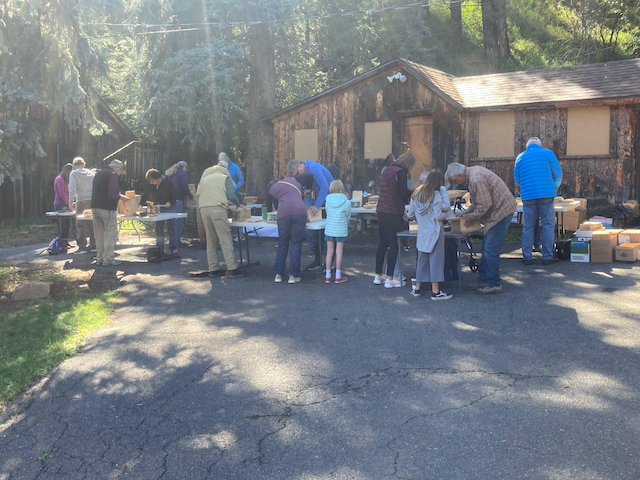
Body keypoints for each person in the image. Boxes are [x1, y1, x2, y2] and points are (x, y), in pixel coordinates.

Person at [446, 162, 517, 295]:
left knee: (490, 249)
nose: (457, 184)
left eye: (455, 180)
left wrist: (471, 216)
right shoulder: (472, 174)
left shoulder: (476, 179)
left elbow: (485, 204)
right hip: (497, 211)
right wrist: (467, 212)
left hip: (502, 212)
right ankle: (484, 279)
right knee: (487, 247)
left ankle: (494, 283)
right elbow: (478, 201)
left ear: (460, 175)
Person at [514, 137, 563, 265]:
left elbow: (517, 178)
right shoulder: (548, 154)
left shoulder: (520, 157)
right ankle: (547, 256)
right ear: (540, 145)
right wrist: (554, 186)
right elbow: (558, 174)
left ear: (527, 146)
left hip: (528, 195)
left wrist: (527, 185)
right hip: (546, 193)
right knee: (548, 224)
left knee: (528, 226)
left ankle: (527, 257)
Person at [196, 158, 247, 278]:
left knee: (211, 240)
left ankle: (213, 268)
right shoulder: (225, 178)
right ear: (226, 169)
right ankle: (232, 268)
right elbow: (230, 195)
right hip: (217, 209)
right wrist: (238, 204)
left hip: (203, 209)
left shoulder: (204, 179)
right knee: (225, 239)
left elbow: (197, 197)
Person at [407, 170, 452, 300]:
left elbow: (410, 215)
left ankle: (417, 289)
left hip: (422, 232)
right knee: (436, 261)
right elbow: (438, 216)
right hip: (435, 232)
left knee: (422, 261)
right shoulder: (436, 195)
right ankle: (435, 291)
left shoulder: (416, 193)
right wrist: (446, 217)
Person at [269, 160, 315, 284]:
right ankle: (293, 276)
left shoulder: (273, 189)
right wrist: (308, 190)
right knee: (296, 243)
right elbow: (310, 176)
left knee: (283, 243)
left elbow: (277, 206)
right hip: (299, 213)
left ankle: (278, 274)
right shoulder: (294, 180)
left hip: (283, 214)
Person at [374, 152, 415, 288]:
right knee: (394, 244)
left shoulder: (387, 170)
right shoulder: (401, 171)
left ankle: (378, 275)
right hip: (393, 212)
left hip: (381, 210)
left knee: (383, 243)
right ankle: (390, 278)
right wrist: (417, 192)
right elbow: (403, 193)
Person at [296, 159, 334, 271]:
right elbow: (306, 191)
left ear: (300, 166)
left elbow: (325, 187)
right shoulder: (304, 173)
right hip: (319, 200)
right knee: (317, 232)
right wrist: (308, 206)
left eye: (298, 173)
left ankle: (330, 262)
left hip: (329, 200)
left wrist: (316, 206)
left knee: (328, 231)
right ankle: (318, 260)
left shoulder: (313, 167)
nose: (299, 176)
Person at [91, 159, 130, 267]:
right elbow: (113, 193)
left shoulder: (99, 173)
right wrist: (121, 197)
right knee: (109, 234)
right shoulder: (112, 175)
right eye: (120, 170)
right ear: (117, 168)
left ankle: (100, 258)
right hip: (107, 208)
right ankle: (108, 259)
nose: (119, 173)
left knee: (98, 234)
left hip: (95, 206)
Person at [143, 169, 181, 255]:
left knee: (171, 226)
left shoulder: (168, 182)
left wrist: (170, 202)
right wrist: (142, 204)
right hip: (159, 206)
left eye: (153, 181)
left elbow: (176, 193)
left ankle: (173, 247)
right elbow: (146, 195)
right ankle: (159, 248)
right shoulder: (151, 185)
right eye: (150, 181)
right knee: (158, 227)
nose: (152, 183)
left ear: (158, 178)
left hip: (170, 205)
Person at [324, 179, 351, 284]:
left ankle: (327, 275)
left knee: (329, 252)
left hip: (330, 229)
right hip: (341, 229)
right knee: (339, 252)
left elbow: (327, 212)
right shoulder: (346, 202)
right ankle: (338, 276)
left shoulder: (327, 201)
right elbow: (348, 216)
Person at [68, 157, 95, 254]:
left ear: (74, 165)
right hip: (91, 200)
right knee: (92, 222)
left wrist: (70, 203)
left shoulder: (74, 174)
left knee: (80, 224)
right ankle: (94, 244)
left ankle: (82, 247)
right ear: (84, 164)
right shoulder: (91, 173)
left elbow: (72, 189)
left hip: (80, 200)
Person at [166, 161, 193, 245]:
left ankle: (172, 240)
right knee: (179, 221)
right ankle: (176, 241)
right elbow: (185, 188)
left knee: (172, 221)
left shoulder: (170, 174)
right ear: (184, 167)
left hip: (169, 200)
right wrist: (191, 197)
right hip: (178, 198)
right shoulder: (183, 174)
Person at [53, 163, 73, 245]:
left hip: (65, 203)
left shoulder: (64, 180)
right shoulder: (59, 179)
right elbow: (62, 194)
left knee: (66, 224)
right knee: (62, 224)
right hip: (60, 204)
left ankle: (65, 241)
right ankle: (60, 242)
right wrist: (69, 204)